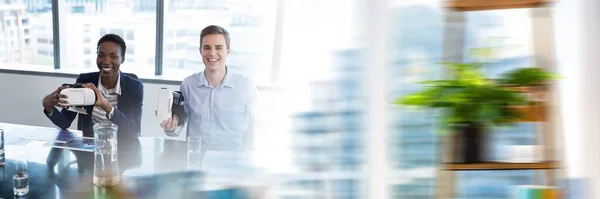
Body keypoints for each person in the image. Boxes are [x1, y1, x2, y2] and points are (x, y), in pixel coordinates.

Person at [161, 25, 258, 155]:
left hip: (233, 159)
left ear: (228, 51)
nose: (212, 53)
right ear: (200, 51)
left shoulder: (245, 86)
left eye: (219, 48)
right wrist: (170, 127)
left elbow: (256, 127)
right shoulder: (188, 84)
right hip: (197, 158)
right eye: (207, 47)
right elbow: (178, 126)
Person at [42, 34, 144, 138]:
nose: (106, 61)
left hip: (124, 147)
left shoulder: (134, 87)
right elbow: (65, 122)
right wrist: (48, 105)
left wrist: (106, 106)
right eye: (101, 55)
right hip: (91, 145)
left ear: (122, 59)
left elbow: (134, 128)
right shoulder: (85, 81)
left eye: (113, 56)